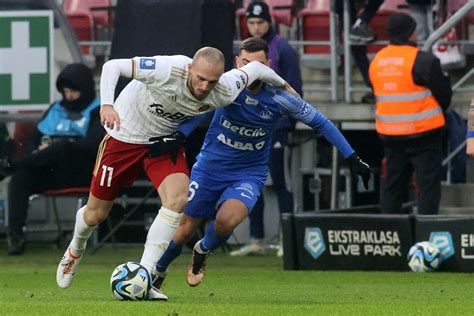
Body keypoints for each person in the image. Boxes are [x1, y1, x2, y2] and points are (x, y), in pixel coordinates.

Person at [55, 47, 291, 301]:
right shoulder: (168, 68)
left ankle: (145, 275)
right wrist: (107, 105)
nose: (204, 87)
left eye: (212, 81)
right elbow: (112, 66)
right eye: (200, 78)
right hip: (124, 136)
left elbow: (255, 69)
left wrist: (286, 87)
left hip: (162, 141)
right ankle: (74, 251)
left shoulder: (226, 89)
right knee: (95, 214)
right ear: (190, 68)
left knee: (178, 199)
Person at [152, 38, 372, 295]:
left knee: (226, 221)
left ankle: (202, 250)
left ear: (268, 65)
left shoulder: (280, 98)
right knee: (182, 230)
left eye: (257, 65)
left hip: (248, 173)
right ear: (237, 63)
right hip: (209, 168)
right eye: (245, 63)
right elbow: (199, 112)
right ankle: (157, 273)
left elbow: (321, 122)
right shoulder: (224, 87)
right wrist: (179, 136)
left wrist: (352, 157)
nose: (250, 70)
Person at [5, 63, 103, 256]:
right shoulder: (55, 108)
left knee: (60, 147)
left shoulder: (97, 110)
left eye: (73, 91)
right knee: (20, 178)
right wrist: (36, 150)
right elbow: (32, 138)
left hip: (79, 171)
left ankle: (10, 166)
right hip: (48, 169)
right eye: (65, 91)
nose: (68, 96)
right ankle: (16, 237)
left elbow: (92, 146)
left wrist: (61, 144)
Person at [230, 1, 303, 257]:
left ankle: (287, 238)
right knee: (252, 183)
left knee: (282, 182)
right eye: (251, 22)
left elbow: (295, 89)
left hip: (276, 128)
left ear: (270, 22)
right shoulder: (244, 50)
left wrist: (287, 123)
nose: (256, 27)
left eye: (260, 22)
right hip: (251, 127)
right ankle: (256, 238)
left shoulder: (282, 48)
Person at [369, 13, 452, 215]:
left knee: (392, 188)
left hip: (390, 136)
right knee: (427, 188)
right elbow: (444, 95)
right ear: (410, 33)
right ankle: (426, 238)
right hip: (424, 135)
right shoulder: (423, 60)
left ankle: (391, 237)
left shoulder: (376, 61)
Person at [335, 0, 384, 103]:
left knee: (355, 42)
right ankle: (373, 86)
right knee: (355, 44)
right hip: (344, 7)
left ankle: (359, 24)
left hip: (347, 8)